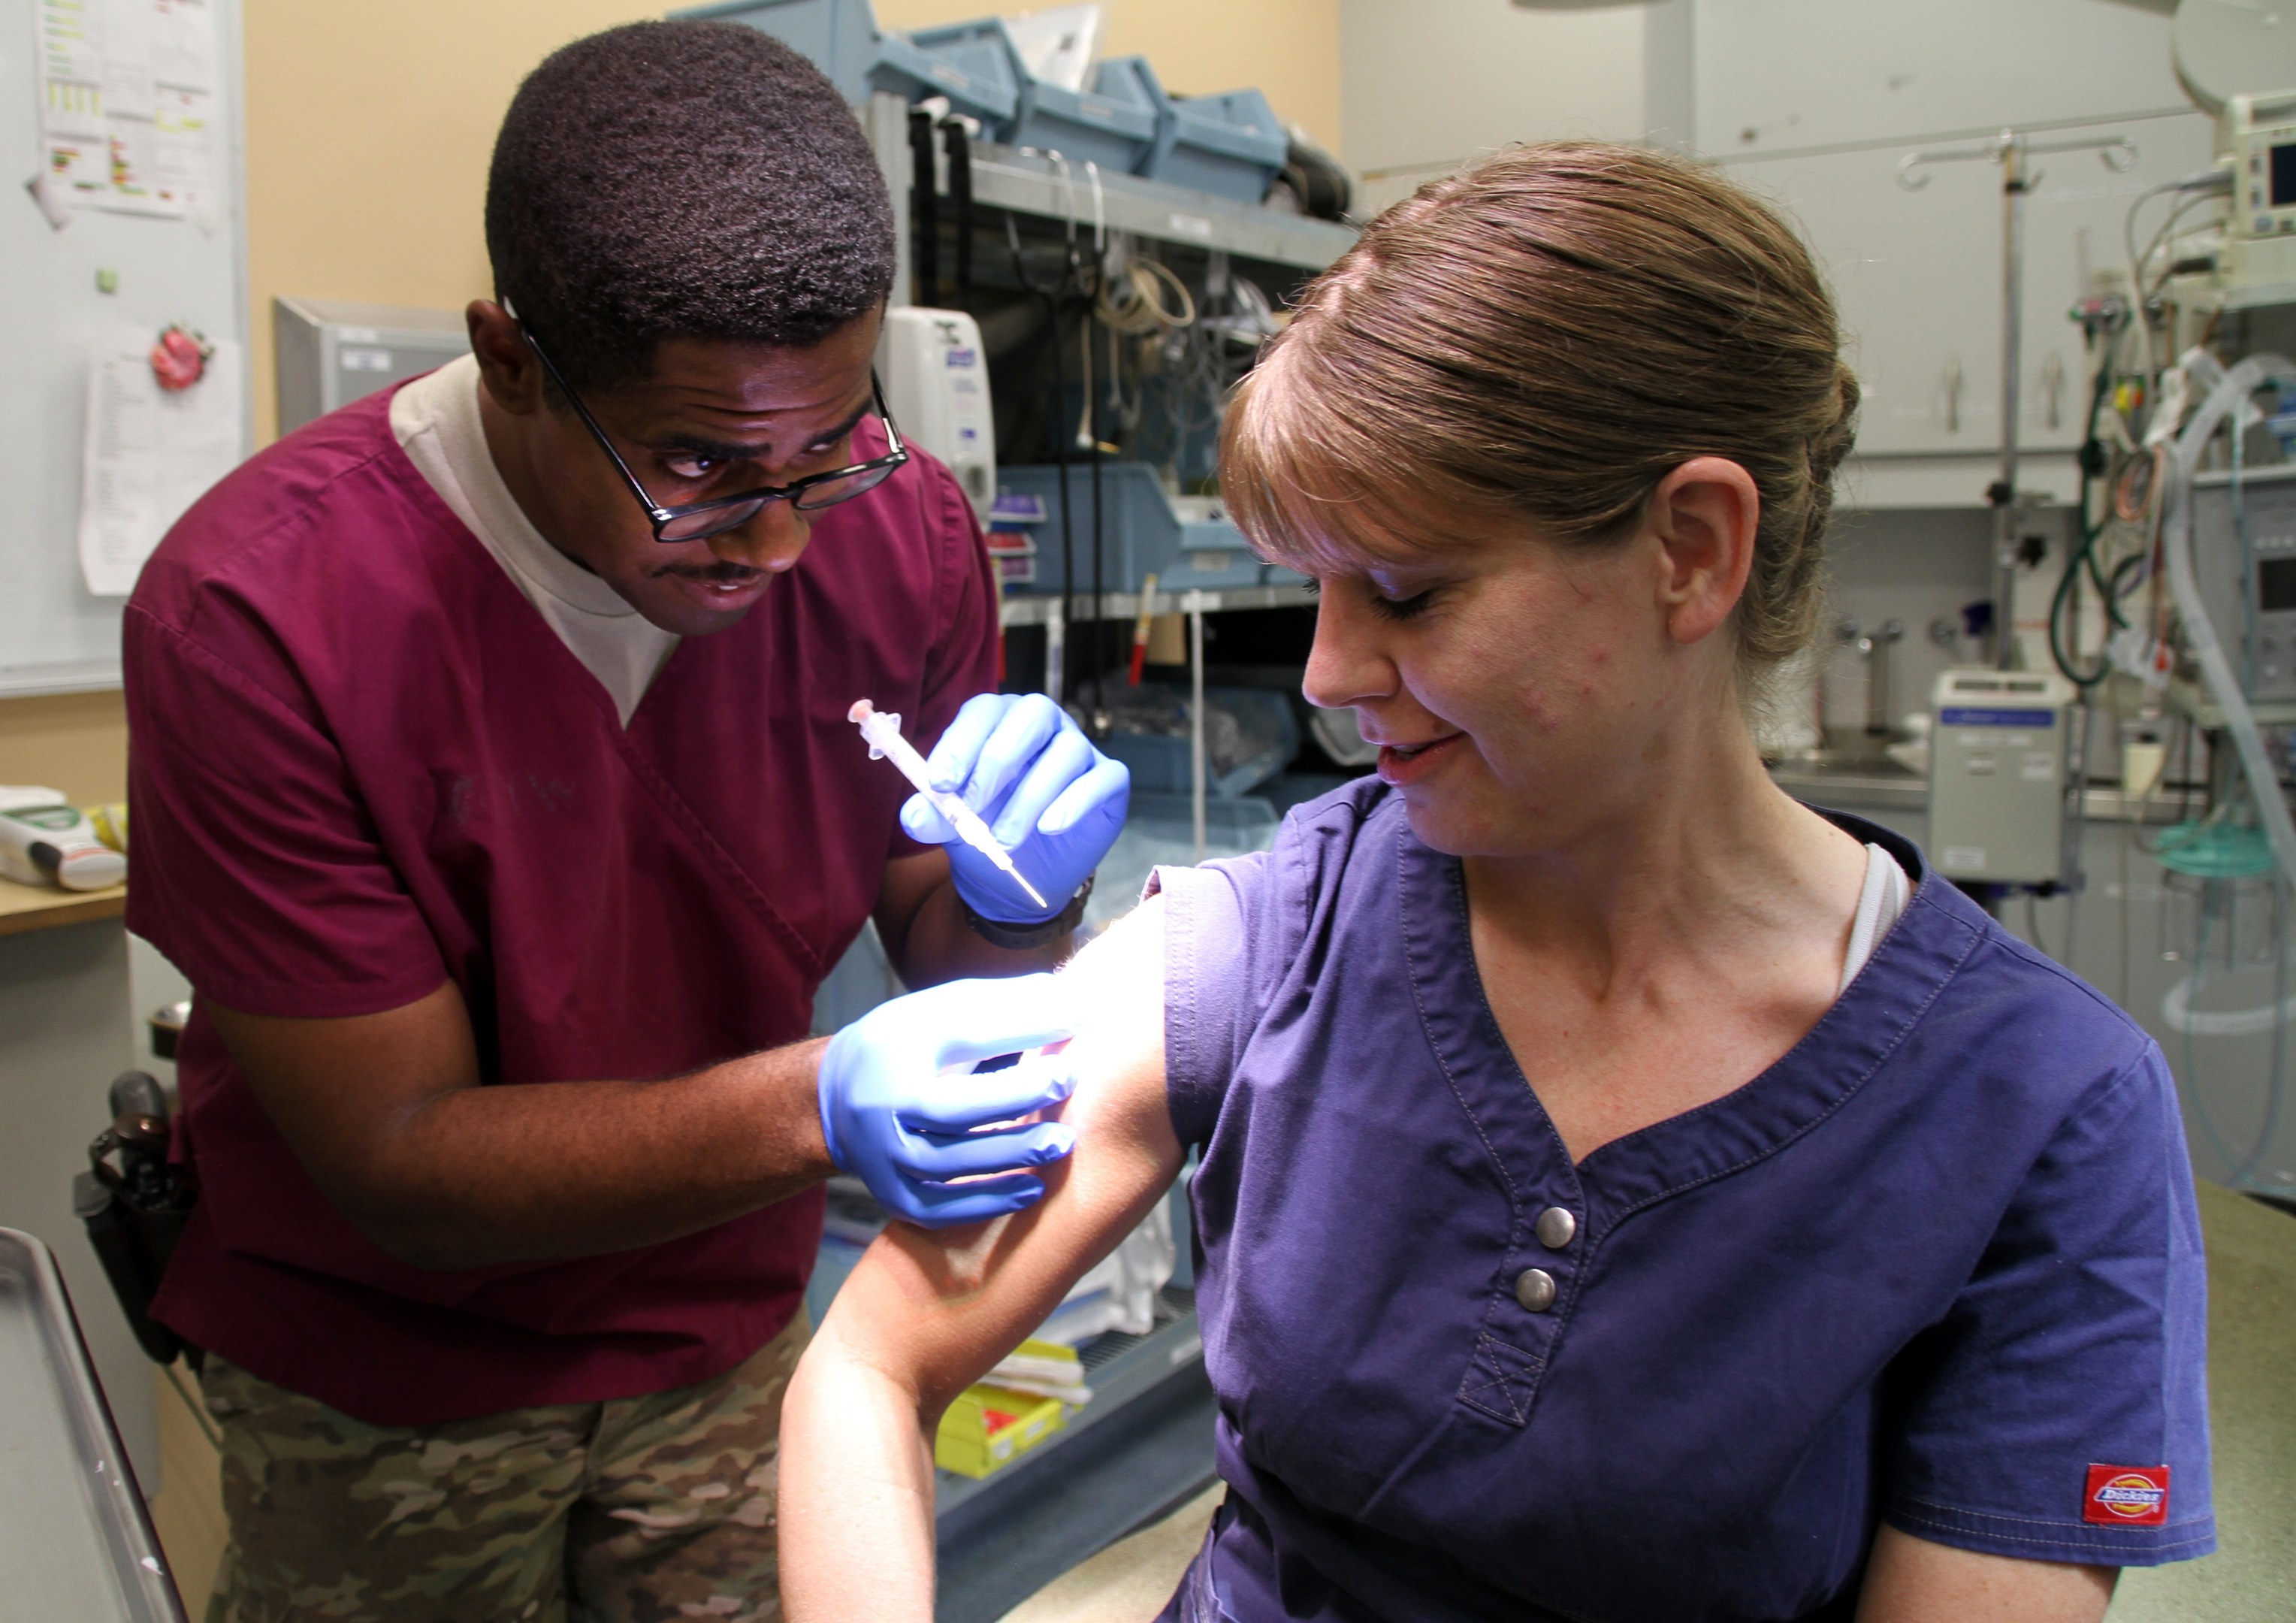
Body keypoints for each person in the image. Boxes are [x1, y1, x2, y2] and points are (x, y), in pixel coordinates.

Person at [775, 143, 2216, 1623]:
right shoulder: (1289, 931)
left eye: (1407, 592)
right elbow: (869, 1363)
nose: (1328, 671)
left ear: (1690, 549)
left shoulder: (2042, 1113)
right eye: (1316, 587)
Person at [123, 22, 1122, 1622]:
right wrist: (823, 1101)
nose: (778, 541)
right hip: (385, 1384)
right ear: (510, 360)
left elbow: (948, 952)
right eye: (699, 463)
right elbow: (397, 1161)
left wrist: (1019, 907)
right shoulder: (262, 615)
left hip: (728, 1327)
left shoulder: (904, 539)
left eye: (827, 446)